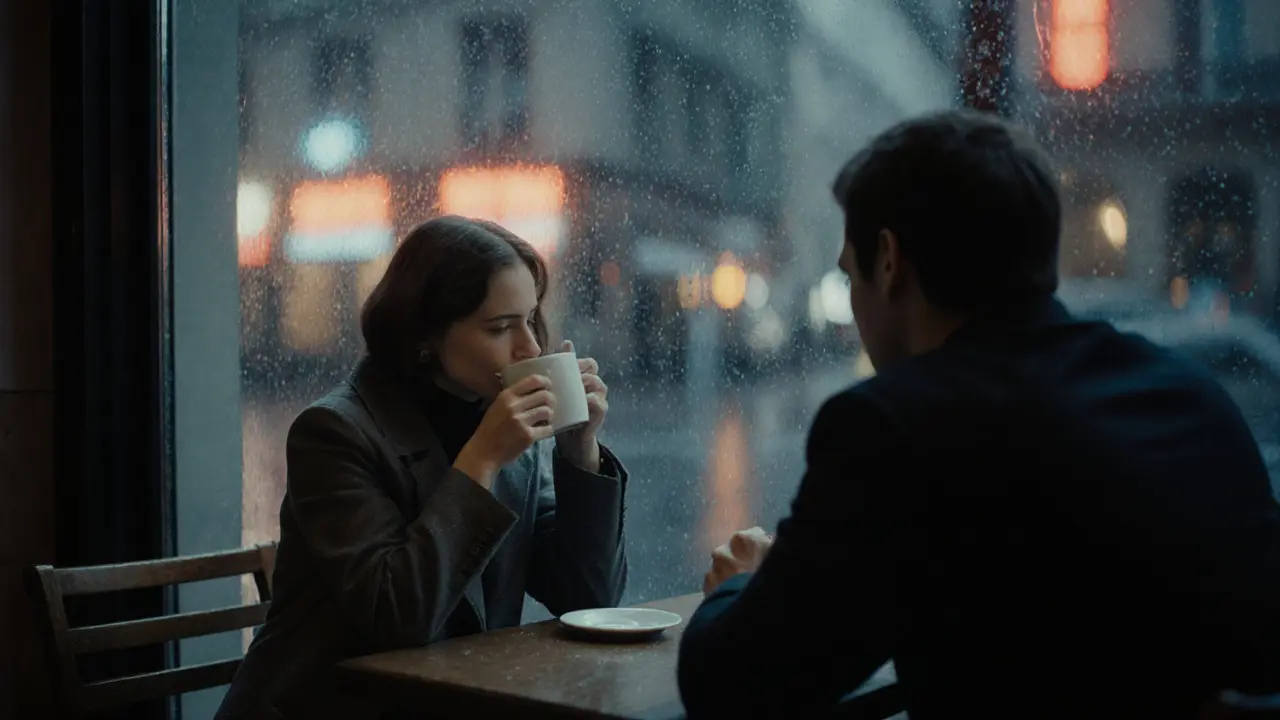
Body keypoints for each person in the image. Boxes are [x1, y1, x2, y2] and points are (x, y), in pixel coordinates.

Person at [676, 110, 1280, 719]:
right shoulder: (1190, 396)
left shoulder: (896, 428)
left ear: (888, 261)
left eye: (850, 273)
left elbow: (728, 685)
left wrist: (744, 585)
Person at [216, 216, 628, 719]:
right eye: (500, 327)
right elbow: (397, 618)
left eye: (530, 318)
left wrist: (580, 450)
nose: (531, 348)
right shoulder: (334, 433)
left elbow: (587, 596)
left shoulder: (501, 424)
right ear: (425, 335)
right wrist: (481, 459)